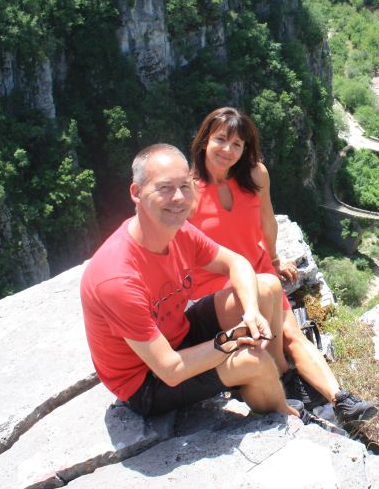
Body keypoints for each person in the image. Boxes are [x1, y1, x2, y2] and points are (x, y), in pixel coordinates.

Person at [188, 107, 378, 429]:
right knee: (265, 345)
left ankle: (341, 400)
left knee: (292, 335)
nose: (228, 150)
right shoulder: (188, 190)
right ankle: (287, 392)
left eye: (238, 144)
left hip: (259, 270)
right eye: (221, 140)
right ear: (205, 139)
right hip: (217, 286)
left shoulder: (255, 175)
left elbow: (267, 221)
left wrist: (275, 261)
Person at [80, 143, 299, 418]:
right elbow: (170, 369)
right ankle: (287, 417)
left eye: (185, 186)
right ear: (136, 193)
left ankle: (272, 377)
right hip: (146, 380)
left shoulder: (179, 231)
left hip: (177, 335)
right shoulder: (116, 278)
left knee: (266, 286)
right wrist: (232, 341)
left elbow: (236, 262)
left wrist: (252, 312)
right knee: (253, 360)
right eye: (164, 188)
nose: (178, 198)